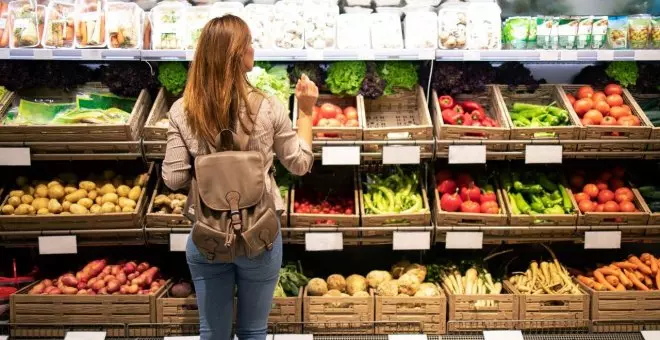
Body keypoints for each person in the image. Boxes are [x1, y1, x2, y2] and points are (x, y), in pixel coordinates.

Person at [161, 15, 317, 340]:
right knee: (253, 331)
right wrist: (305, 111)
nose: (253, 48)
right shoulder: (268, 106)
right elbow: (299, 163)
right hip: (260, 237)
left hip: (207, 236)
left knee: (212, 332)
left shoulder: (181, 111)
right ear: (239, 55)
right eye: (248, 42)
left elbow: (173, 179)